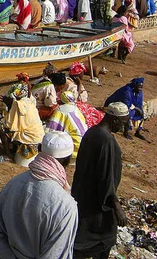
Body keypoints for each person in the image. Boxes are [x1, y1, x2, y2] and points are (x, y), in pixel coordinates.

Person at [0, 131, 78, 259]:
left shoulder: (15, 182)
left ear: (39, 149)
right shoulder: (66, 206)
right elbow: (56, 254)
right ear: (68, 161)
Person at [71, 102, 128, 259]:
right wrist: (115, 205)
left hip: (82, 193)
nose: (124, 127)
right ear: (114, 119)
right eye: (123, 122)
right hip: (97, 202)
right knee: (103, 239)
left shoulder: (92, 132)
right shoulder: (107, 141)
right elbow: (106, 176)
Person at [0, 83, 45, 162]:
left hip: (29, 137)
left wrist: (9, 105)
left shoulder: (17, 104)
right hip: (38, 136)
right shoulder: (31, 101)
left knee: (1, 126)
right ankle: (14, 148)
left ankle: (8, 154)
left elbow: (9, 124)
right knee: (19, 128)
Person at [46, 91, 88, 158]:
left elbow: (51, 129)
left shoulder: (60, 110)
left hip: (74, 147)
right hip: (84, 143)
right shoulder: (76, 109)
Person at [65, 62, 104, 128]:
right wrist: (79, 84)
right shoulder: (73, 86)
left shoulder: (68, 81)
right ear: (79, 75)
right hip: (73, 106)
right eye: (82, 73)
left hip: (73, 104)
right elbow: (76, 98)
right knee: (95, 116)